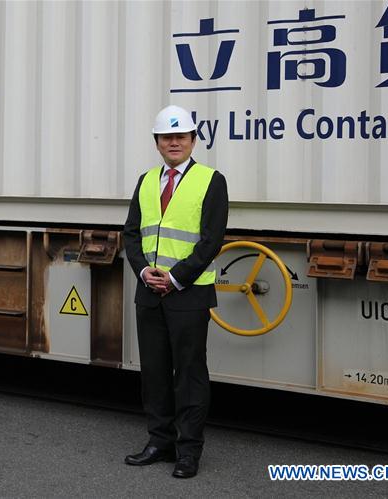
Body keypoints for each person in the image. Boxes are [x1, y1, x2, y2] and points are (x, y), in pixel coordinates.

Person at [121, 105, 228, 478]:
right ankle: (159, 442)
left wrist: (176, 277)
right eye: (167, 137)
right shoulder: (146, 180)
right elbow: (131, 234)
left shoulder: (212, 180)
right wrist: (143, 271)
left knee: (190, 373)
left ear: (193, 140)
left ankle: (188, 452)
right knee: (154, 372)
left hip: (188, 293)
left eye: (181, 136)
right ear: (157, 143)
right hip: (149, 291)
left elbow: (211, 241)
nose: (174, 142)